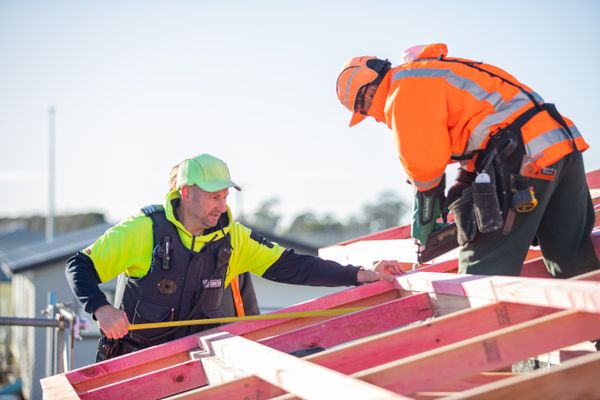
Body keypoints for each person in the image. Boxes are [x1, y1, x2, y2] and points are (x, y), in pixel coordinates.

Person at [66, 153, 404, 360]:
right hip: (137, 361)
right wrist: (101, 308)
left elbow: (293, 265)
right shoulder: (143, 230)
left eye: (225, 196)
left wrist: (360, 274)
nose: (221, 206)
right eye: (214, 196)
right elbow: (79, 264)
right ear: (187, 193)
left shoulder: (233, 238)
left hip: (198, 364)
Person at [335, 43, 599, 277]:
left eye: (365, 112)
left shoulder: (402, 91)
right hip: (562, 148)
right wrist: (464, 181)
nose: (373, 117)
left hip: (521, 158)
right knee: (574, 265)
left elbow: (424, 166)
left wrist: (428, 209)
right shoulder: (431, 71)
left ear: (367, 94)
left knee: (480, 271)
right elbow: (482, 129)